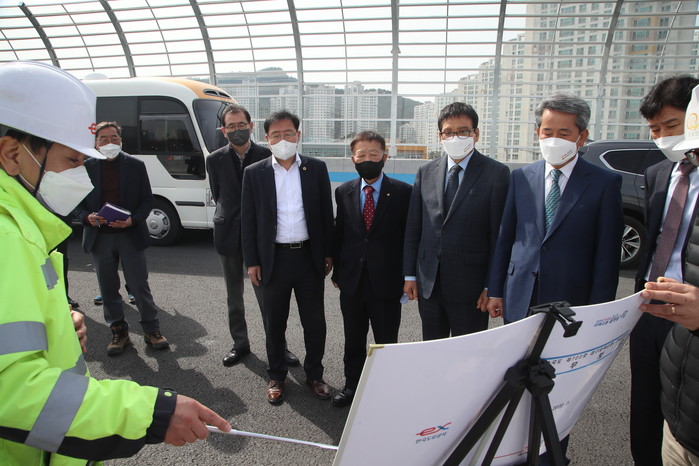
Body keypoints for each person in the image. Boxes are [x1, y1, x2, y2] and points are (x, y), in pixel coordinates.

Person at [0, 60, 230, 465]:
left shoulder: (22, 226)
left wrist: (58, 327)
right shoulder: (7, 239)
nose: (80, 173)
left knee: (138, 286)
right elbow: (12, 391)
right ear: (12, 154)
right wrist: (151, 414)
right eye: (73, 160)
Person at [486, 92, 623, 462]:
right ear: (537, 132)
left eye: (564, 132)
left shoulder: (604, 183)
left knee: (557, 391)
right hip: (520, 298)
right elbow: (507, 237)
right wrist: (496, 289)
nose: (554, 139)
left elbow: (606, 256)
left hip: (570, 307)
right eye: (548, 131)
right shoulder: (522, 177)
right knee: (514, 383)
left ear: (582, 136)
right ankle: (512, 454)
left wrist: (598, 314)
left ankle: (550, 455)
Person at [241, 110, 334, 405]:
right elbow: (248, 220)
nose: (283, 140)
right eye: (276, 135)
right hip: (273, 259)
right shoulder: (254, 173)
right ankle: (276, 375)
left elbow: (325, 214)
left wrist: (328, 252)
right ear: (267, 139)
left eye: (289, 133)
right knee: (275, 322)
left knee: (314, 322)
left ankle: (314, 374)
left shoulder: (316, 168)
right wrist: (252, 261)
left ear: (298, 135)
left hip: (308, 257)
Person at [630, 75, 699, 466]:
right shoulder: (658, 172)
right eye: (654, 130)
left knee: (684, 401)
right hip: (649, 305)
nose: (662, 137)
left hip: (690, 311)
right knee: (645, 400)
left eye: (671, 126)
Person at [403, 102, 509, 340]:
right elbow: (414, 228)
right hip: (429, 284)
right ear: (440, 136)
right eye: (449, 132)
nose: (455, 137)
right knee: (432, 348)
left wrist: (491, 286)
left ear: (476, 134)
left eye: (463, 131)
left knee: (468, 353)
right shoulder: (426, 171)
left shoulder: (496, 174)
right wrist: (410, 275)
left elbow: (499, 237)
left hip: (472, 288)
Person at [206, 104, 299, 368]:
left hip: (261, 237)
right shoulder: (214, 159)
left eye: (241, 125)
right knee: (233, 296)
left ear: (251, 126)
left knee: (268, 297)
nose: (237, 130)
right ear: (224, 130)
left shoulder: (266, 154)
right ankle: (240, 344)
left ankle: (278, 347)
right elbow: (218, 194)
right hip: (228, 233)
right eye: (231, 126)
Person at [331, 131, 412, 407]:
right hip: (352, 280)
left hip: (387, 281)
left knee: (386, 340)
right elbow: (340, 233)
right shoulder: (344, 191)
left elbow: (408, 238)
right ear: (353, 159)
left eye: (373, 154)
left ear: (384, 157)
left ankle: (386, 389)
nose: (367, 159)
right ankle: (351, 386)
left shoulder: (403, 192)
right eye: (361, 155)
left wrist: (408, 276)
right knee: (353, 339)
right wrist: (338, 272)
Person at [74, 121, 169, 356]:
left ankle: (152, 331)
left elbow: (147, 200)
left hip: (129, 235)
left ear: (121, 140)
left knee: (139, 286)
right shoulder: (85, 167)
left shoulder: (135, 165)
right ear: (96, 143)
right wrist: (87, 217)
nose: (109, 143)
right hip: (100, 238)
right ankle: (118, 332)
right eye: (104, 139)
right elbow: (76, 203)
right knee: (108, 289)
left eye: (114, 138)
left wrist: (132, 220)